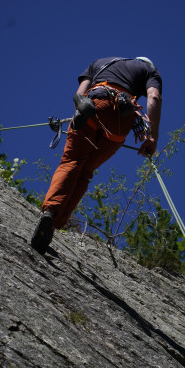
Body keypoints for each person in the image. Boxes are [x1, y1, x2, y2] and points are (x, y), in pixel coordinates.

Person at [31, 56, 162, 254]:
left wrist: (79, 113)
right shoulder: (150, 71)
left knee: (72, 161)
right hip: (120, 120)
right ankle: (53, 224)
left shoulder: (100, 62)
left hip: (93, 103)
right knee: (85, 172)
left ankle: (50, 211)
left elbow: (79, 92)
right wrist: (152, 138)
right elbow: (153, 97)